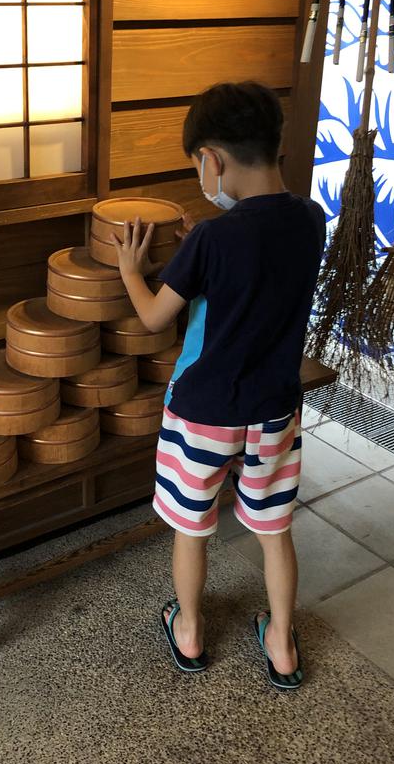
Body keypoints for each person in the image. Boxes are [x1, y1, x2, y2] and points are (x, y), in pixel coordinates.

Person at [109, 80, 326, 690]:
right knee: (274, 527)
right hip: (275, 410)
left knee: (192, 524)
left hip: (204, 412)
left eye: (198, 165)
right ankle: (281, 644)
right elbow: (258, 255)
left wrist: (132, 269)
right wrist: (199, 244)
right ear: (273, 146)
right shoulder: (311, 219)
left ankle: (190, 631)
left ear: (212, 159)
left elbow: (154, 316)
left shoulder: (210, 239)